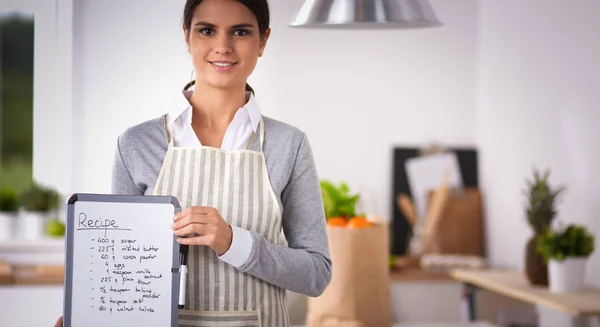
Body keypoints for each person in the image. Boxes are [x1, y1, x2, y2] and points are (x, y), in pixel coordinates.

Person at [53, 0, 330, 326]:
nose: (222, 46)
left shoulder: (289, 145)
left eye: (240, 31)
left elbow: (316, 274)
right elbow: (120, 277)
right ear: (187, 36)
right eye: (207, 30)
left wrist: (232, 241)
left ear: (263, 41)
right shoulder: (137, 144)